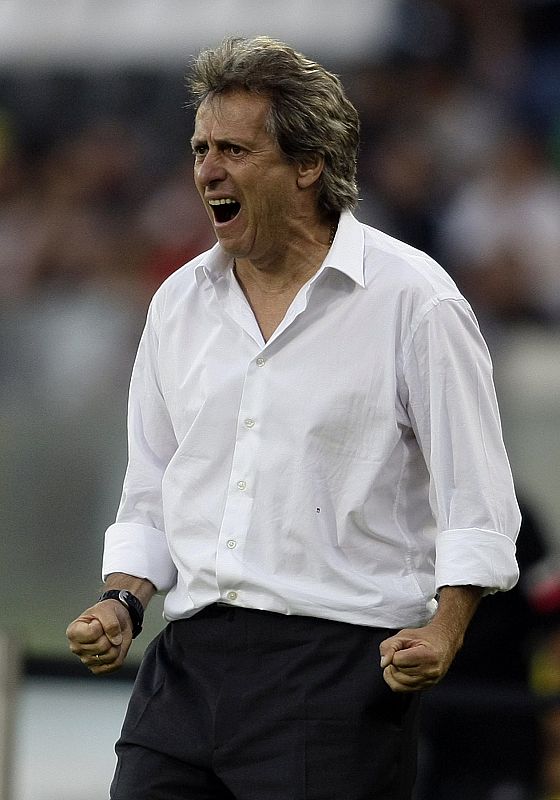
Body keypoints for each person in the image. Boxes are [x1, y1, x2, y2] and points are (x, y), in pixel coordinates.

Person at [66, 36, 521, 800]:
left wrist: (445, 630)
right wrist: (122, 600)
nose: (207, 170)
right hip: (184, 669)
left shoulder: (416, 300)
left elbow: (476, 498)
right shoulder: (176, 303)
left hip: (337, 679)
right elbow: (150, 486)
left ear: (308, 165)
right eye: (200, 147)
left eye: (234, 150)